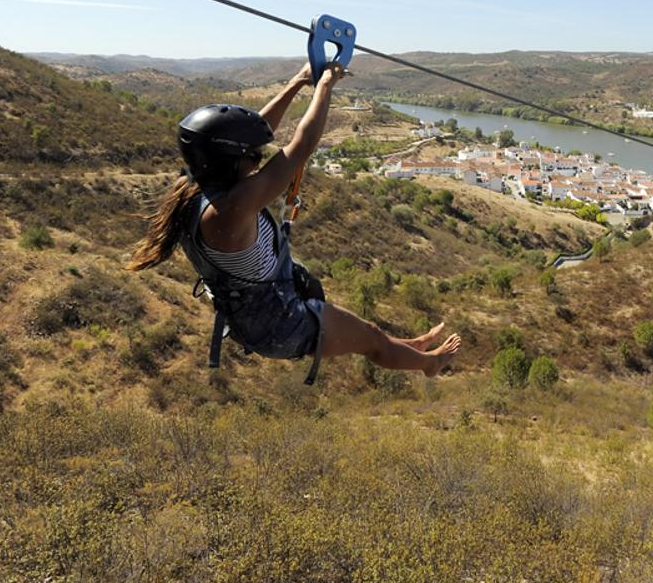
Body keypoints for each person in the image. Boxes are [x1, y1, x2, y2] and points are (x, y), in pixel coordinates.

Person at [126, 62, 461, 379]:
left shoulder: (194, 186)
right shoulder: (231, 208)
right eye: (254, 157)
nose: (259, 161)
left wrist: (298, 82)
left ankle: (413, 348)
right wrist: (325, 86)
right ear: (229, 161)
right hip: (283, 325)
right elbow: (300, 146)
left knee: (368, 334)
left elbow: (256, 132)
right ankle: (428, 364)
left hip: (269, 308)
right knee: (372, 343)